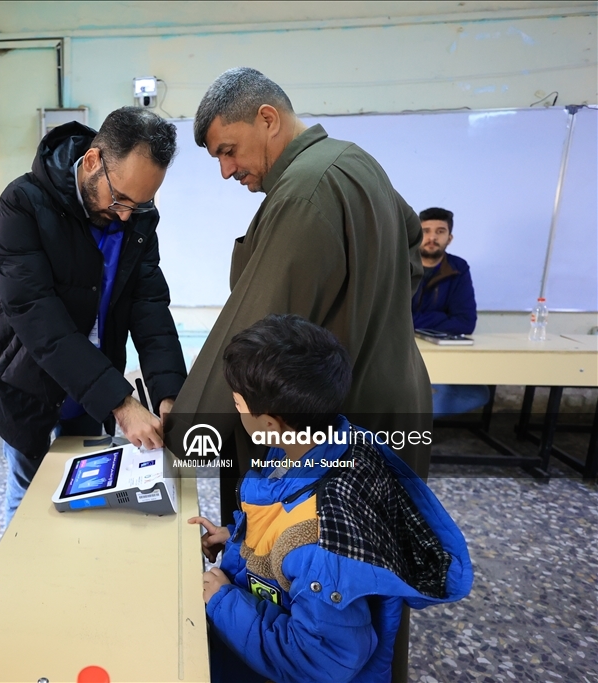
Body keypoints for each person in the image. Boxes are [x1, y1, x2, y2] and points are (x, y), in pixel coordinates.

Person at [169, 67, 433, 682]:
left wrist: (187, 428)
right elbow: (412, 249)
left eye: (228, 151)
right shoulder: (357, 163)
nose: (227, 171)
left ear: (268, 118)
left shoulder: (306, 190)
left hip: (341, 409)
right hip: (392, 393)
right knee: (374, 567)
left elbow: (256, 338)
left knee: (326, 568)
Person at [189, 315, 473, 683]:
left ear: (270, 423)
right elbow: (283, 519)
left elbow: (319, 662)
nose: (236, 409)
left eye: (239, 404)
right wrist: (239, 540)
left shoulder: (322, 543)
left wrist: (223, 601)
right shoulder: (316, 445)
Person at [0, 107, 187, 524]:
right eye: (119, 199)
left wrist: (169, 392)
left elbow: (149, 305)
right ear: (91, 162)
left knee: (87, 502)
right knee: (28, 505)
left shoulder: (137, 215)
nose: (125, 214)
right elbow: (37, 317)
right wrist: (122, 402)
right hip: (25, 385)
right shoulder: (23, 204)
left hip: (90, 393)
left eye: (140, 204)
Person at [412, 207, 491, 417]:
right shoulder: (400, 265)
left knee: (479, 394)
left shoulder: (458, 268)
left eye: (440, 231)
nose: (432, 237)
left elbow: (465, 322)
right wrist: (440, 318)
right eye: (426, 231)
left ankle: (405, 428)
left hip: (442, 354)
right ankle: (408, 431)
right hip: (403, 352)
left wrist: (416, 321)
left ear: (450, 237)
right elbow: (392, 318)